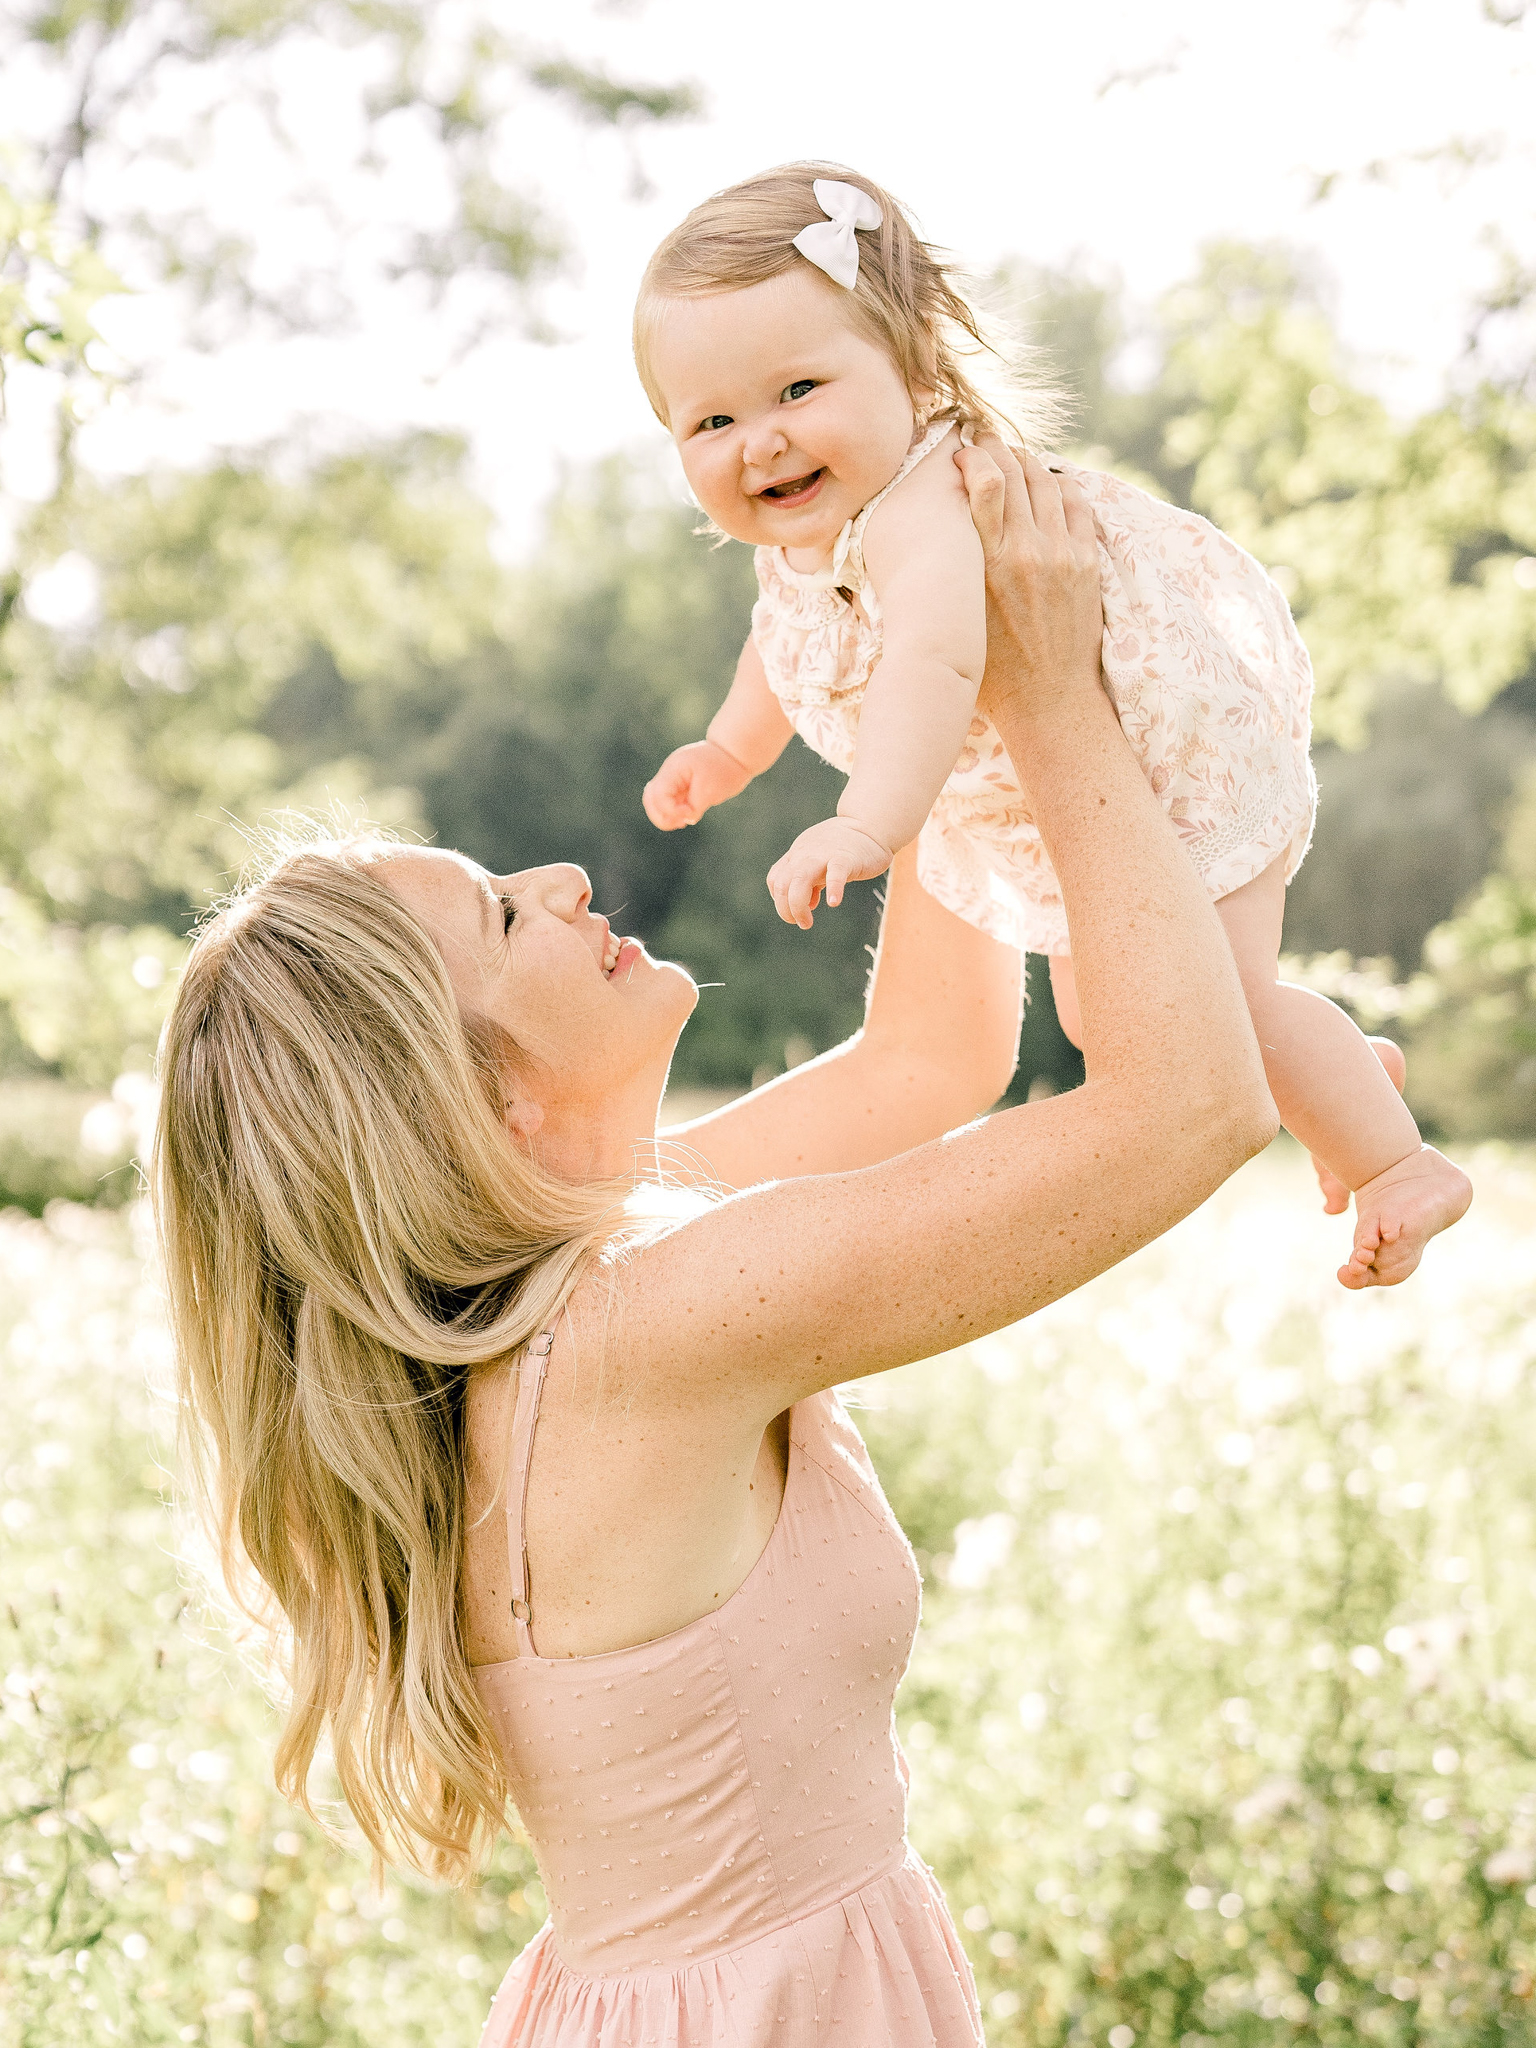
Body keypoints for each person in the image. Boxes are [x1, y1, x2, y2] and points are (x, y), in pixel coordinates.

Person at [154, 441, 1277, 2046]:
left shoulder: (568, 1296)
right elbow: (1192, 1109)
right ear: (470, 1100)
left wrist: (932, 669)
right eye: (499, 916)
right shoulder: (642, 1331)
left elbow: (933, 1063)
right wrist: (1046, 686)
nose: (559, 879)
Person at [637, 162, 1471, 1290]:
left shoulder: (927, 509)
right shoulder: (812, 529)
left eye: (798, 390)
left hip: (1167, 757)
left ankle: (1399, 1162)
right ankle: (1320, 1075)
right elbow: (781, 642)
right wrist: (729, 748)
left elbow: (933, 663)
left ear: (916, 366)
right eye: (713, 420)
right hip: (1066, 778)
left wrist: (864, 824)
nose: (762, 442)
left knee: (1187, 1017)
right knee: (1129, 1014)